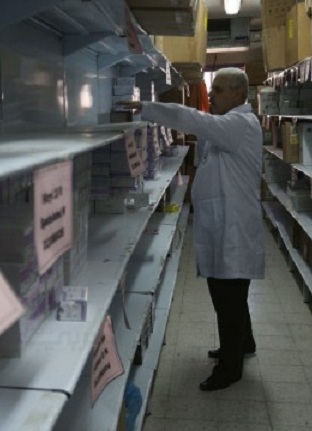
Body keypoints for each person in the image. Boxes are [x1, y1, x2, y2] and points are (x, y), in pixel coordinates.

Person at [119, 67, 265, 391]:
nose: (211, 94)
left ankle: (230, 369)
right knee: (231, 292)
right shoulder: (228, 124)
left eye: (219, 89)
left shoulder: (239, 124)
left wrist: (148, 108)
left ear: (239, 94)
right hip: (223, 223)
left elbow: (193, 119)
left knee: (228, 296)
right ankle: (243, 343)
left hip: (233, 227)